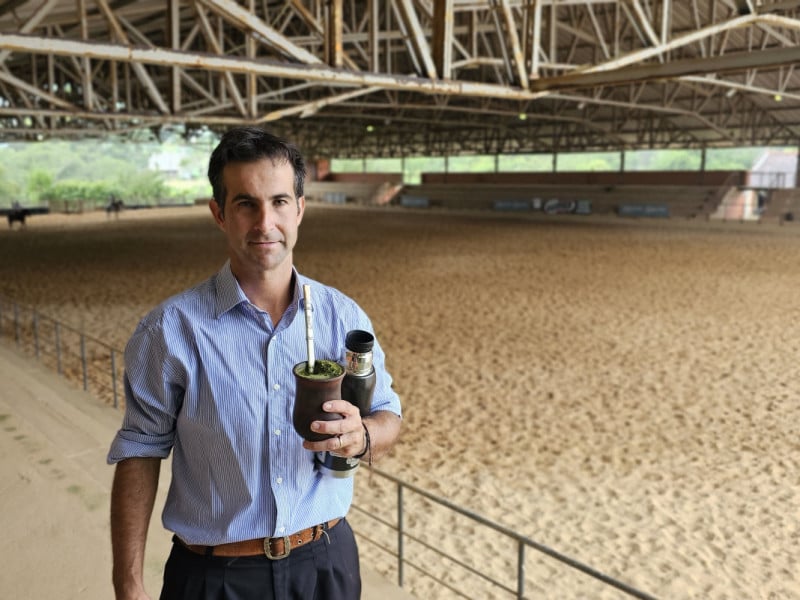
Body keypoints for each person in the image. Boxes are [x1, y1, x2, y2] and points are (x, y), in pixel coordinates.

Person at [107, 127, 403, 600]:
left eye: (280, 201)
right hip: (215, 577)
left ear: (300, 209)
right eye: (246, 204)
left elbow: (388, 414)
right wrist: (129, 584)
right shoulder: (169, 330)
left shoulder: (342, 316)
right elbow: (140, 452)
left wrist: (363, 435)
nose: (265, 222)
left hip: (325, 561)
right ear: (219, 214)